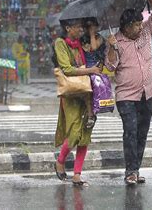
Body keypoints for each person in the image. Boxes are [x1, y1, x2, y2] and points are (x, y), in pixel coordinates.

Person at [105, 0, 152, 185]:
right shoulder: (117, 41)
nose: (140, 27)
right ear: (126, 26)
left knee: (142, 132)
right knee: (130, 131)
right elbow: (111, 66)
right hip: (126, 96)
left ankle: (135, 170)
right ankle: (130, 171)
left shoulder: (146, 33)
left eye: (140, 23)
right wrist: (112, 47)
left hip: (147, 93)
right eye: (136, 25)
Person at [54, 18, 101, 186]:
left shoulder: (82, 42)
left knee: (85, 134)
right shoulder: (61, 43)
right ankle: (60, 161)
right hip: (72, 94)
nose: (80, 30)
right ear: (68, 28)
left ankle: (77, 174)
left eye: (82, 27)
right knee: (74, 133)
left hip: (87, 92)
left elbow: (94, 49)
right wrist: (89, 70)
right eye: (78, 27)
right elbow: (66, 69)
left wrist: (90, 32)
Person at [80, 17, 106, 129]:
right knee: (86, 91)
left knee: (95, 88)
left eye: (93, 27)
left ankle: (93, 112)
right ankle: (90, 113)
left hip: (96, 67)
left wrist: (92, 35)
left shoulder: (99, 38)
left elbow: (94, 48)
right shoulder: (82, 39)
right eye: (89, 27)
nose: (91, 29)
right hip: (85, 68)